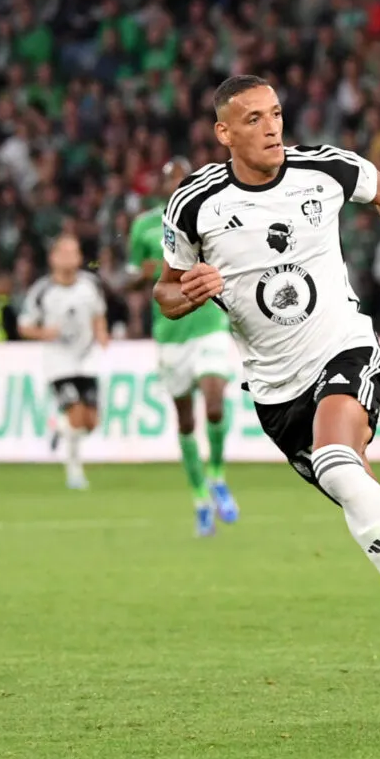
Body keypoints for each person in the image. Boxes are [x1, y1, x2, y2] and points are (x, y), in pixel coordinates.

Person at [153, 75, 380, 658]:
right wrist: (187, 295)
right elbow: (166, 292)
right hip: (275, 387)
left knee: (337, 458)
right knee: (352, 487)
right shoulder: (193, 203)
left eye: (275, 113)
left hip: (344, 347)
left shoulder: (324, 170)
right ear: (223, 132)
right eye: (253, 119)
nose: (271, 126)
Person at [127, 157, 240, 537]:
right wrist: (140, 278)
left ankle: (218, 477)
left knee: (213, 402)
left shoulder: (211, 215)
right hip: (170, 333)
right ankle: (199, 500)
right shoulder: (144, 226)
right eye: (170, 178)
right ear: (161, 186)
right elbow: (129, 280)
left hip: (208, 323)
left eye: (182, 177)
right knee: (186, 419)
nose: (176, 183)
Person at [18, 235, 109, 490]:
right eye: (65, 252)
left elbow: (99, 314)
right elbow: (24, 326)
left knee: (91, 423)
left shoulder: (90, 284)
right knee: (77, 416)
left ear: (80, 257)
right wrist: (42, 333)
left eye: (75, 252)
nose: (70, 258)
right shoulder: (42, 290)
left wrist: (101, 332)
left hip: (87, 358)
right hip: (59, 362)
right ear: (53, 258)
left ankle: (59, 428)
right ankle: (74, 472)